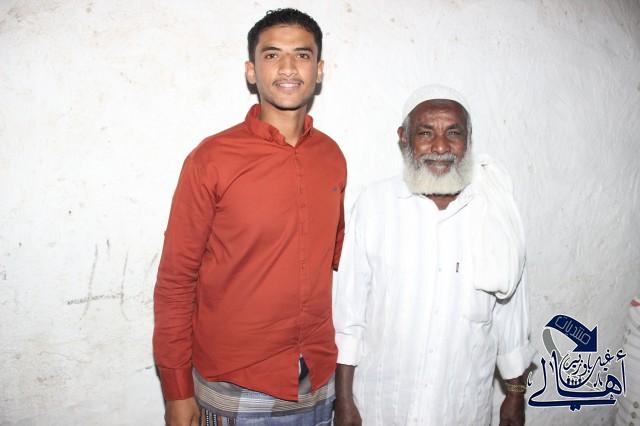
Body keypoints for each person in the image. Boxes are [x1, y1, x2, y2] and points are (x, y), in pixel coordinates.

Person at [153, 8, 346, 426]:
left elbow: (332, 261)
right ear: (251, 71)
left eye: (302, 55)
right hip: (236, 389)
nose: (288, 67)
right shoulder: (211, 159)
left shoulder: (331, 157)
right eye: (272, 55)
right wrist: (177, 391)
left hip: (318, 383)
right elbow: (175, 281)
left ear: (319, 70)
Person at [332, 85, 534, 426]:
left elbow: (511, 317)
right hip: (383, 408)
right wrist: (344, 400)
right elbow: (349, 315)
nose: (440, 147)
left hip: (460, 409)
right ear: (404, 138)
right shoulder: (375, 205)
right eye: (426, 133)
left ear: (468, 139)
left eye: (453, 133)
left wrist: (515, 397)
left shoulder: (494, 212)